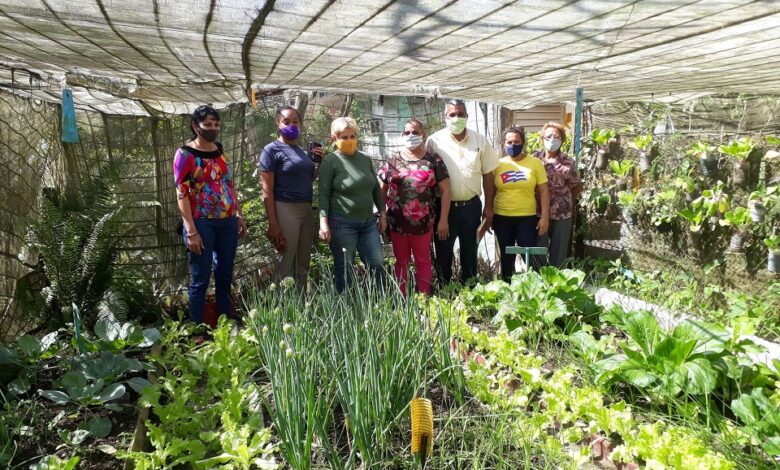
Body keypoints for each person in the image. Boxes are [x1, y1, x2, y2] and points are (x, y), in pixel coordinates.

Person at [174, 105, 248, 324]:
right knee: (200, 278)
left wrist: (239, 215)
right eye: (208, 125)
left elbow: (229, 184)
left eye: (216, 124)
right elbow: (182, 193)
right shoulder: (184, 154)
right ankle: (197, 328)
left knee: (225, 273)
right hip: (201, 223)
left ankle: (225, 320)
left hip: (227, 221)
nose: (213, 129)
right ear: (195, 126)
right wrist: (191, 231)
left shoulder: (220, 150)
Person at [427, 99, 499, 285]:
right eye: (452, 114)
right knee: (443, 253)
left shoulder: (480, 140)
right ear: (445, 117)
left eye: (460, 114)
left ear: (466, 116)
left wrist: (489, 207)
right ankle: (444, 292)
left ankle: (470, 293)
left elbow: (488, 174)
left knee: (470, 252)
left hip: (472, 207)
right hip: (444, 209)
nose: (456, 118)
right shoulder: (434, 141)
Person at [379, 118, 451, 296]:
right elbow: (381, 190)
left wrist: (443, 220)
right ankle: (401, 299)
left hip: (423, 223)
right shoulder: (392, 159)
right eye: (407, 133)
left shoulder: (433, 160)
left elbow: (447, 191)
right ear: (402, 135)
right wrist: (382, 215)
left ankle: (423, 300)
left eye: (415, 132)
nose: (411, 136)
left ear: (423, 135)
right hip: (397, 222)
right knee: (401, 262)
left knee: (423, 261)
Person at [318, 117, 387, 292]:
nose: (349, 140)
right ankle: (346, 305)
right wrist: (323, 222)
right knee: (345, 267)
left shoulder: (365, 159)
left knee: (377, 263)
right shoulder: (330, 161)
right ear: (335, 139)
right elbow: (323, 193)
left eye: (352, 136)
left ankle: (381, 301)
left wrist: (382, 213)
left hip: (368, 223)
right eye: (344, 137)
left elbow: (375, 189)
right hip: (342, 223)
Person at [259, 106, 323, 286]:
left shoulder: (302, 151)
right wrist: (273, 223)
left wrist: (319, 163)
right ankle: (278, 308)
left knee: (303, 263)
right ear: (277, 123)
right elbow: (267, 189)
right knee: (285, 260)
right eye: (287, 121)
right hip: (285, 208)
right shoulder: (271, 150)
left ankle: (300, 308)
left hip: (306, 209)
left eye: (296, 121)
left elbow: (306, 179)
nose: (292, 125)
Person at [489, 126, 550, 282]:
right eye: (509, 142)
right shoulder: (497, 164)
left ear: (523, 143)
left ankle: (535, 288)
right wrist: (488, 214)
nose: (512, 145)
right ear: (503, 144)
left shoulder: (535, 163)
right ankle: (507, 288)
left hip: (527, 218)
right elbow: (491, 191)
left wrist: (545, 217)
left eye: (516, 141)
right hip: (502, 218)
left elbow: (544, 191)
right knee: (506, 257)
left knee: (530, 257)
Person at [534, 121, 581, 267]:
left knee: (559, 252)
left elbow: (576, 185)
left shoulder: (568, 162)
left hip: (562, 214)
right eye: (548, 136)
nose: (552, 140)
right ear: (542, 138)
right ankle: (539, 280)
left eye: (556, 137)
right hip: (538, 213)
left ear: (562, 140)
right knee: (538, 250)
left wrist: (568, 203)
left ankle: (557, 283)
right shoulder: (534, 159)